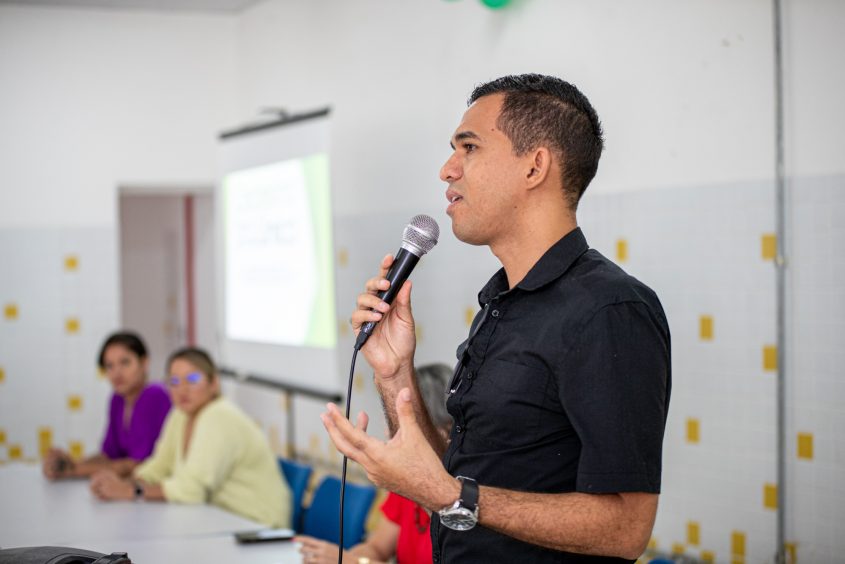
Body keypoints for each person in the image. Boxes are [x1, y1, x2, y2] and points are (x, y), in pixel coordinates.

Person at [322, 74, 671, 563]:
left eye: (469, 147)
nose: (447, 170)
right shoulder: (501, 303)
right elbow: (450, 478)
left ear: (534, 167)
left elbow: (625, 528)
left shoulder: (609, 311)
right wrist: (394, 370)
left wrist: (452, 496)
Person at [89, 346, 291, 528]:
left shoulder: (219, 415)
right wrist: (124, 482)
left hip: (257, 525)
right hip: (219, 519)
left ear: (213, 383)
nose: (182, 389)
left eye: (192, 379)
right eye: (174, 381)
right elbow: (160, 465)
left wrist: (130, 491)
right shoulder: (181, 414)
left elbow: (191, 490)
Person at [296, 363, 454, 564]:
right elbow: (376, 547)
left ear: (445, 430)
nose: (388, 434)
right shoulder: (407, 480)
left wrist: (357, 563)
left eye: (402, 423)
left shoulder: (463, 498)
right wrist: (346, 559)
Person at [43, 331, 171, 480]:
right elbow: (109, 457)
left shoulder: (155, 395)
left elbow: (137, 464)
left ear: (144, 363)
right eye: (109, 366)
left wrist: (74, 470)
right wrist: (71, 463)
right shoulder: (117, 400)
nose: (116, 373)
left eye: (125, 362)